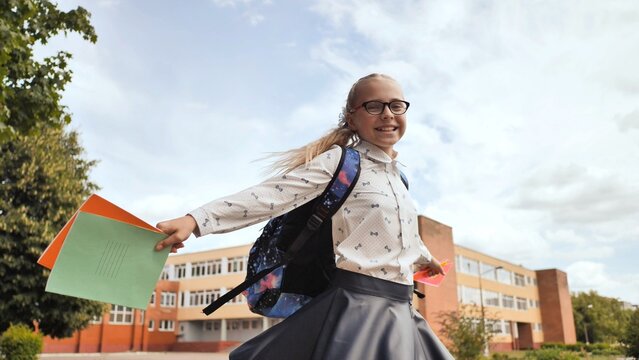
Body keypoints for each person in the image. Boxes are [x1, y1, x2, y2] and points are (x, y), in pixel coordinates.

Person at [154, 73, 454, 359]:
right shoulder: (342, 161)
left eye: (396, 105)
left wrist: (426, 260)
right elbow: (270, 195)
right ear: (352, 118)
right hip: (358, 307)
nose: (387, 114)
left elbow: (402, 235)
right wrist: (195, 220)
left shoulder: (400, 180)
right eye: (374, 106)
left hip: (402, 308)